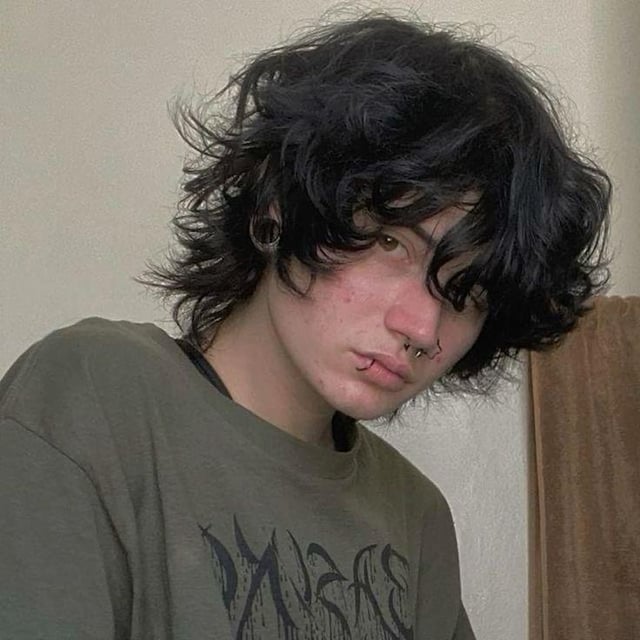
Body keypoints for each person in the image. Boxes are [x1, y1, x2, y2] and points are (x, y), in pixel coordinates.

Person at [0, 12, 610, 640]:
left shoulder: (415, 513)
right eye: (393, 244)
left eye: (468, 292)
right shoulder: (96, 396)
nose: (424, 328)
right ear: (280, 206)